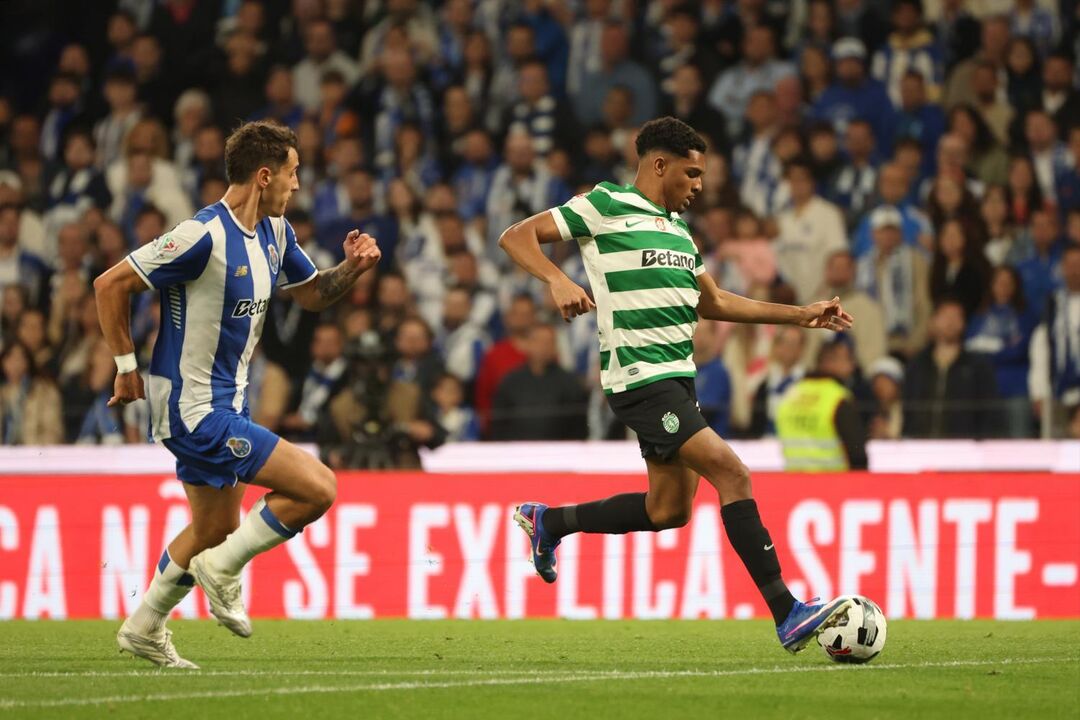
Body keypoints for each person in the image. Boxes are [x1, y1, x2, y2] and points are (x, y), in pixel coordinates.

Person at [498, 116, 856, 654]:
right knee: (733, 473)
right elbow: (515, 235)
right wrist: (558, 278)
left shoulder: (679, 234)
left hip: (677, 381)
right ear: (659, 164)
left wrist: (801, 315)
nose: (699, 187)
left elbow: (714, 302)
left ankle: (548, 522)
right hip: (640, 378)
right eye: (691, 174)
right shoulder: (605, 204)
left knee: (669, 510)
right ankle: (788, 612)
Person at [93, 120, 382, 668]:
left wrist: (355, 268)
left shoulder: (275, 233)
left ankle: (144, 625)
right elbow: (110, 284)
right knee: (318, 487)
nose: (297, 186)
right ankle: (223, 569)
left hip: (227, 402)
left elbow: (315, 294)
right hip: (189, 407)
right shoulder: (201, 236)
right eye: (293, 175)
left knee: (214, 527)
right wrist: (126, 366)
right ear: (265, 175)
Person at [775, 339, 868, 472]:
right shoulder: (838, 397)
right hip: (832, 484)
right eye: (848, 359)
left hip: (793, 483)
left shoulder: (791, 394)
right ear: (829, 362)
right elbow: (857, 454)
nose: (852, 366)